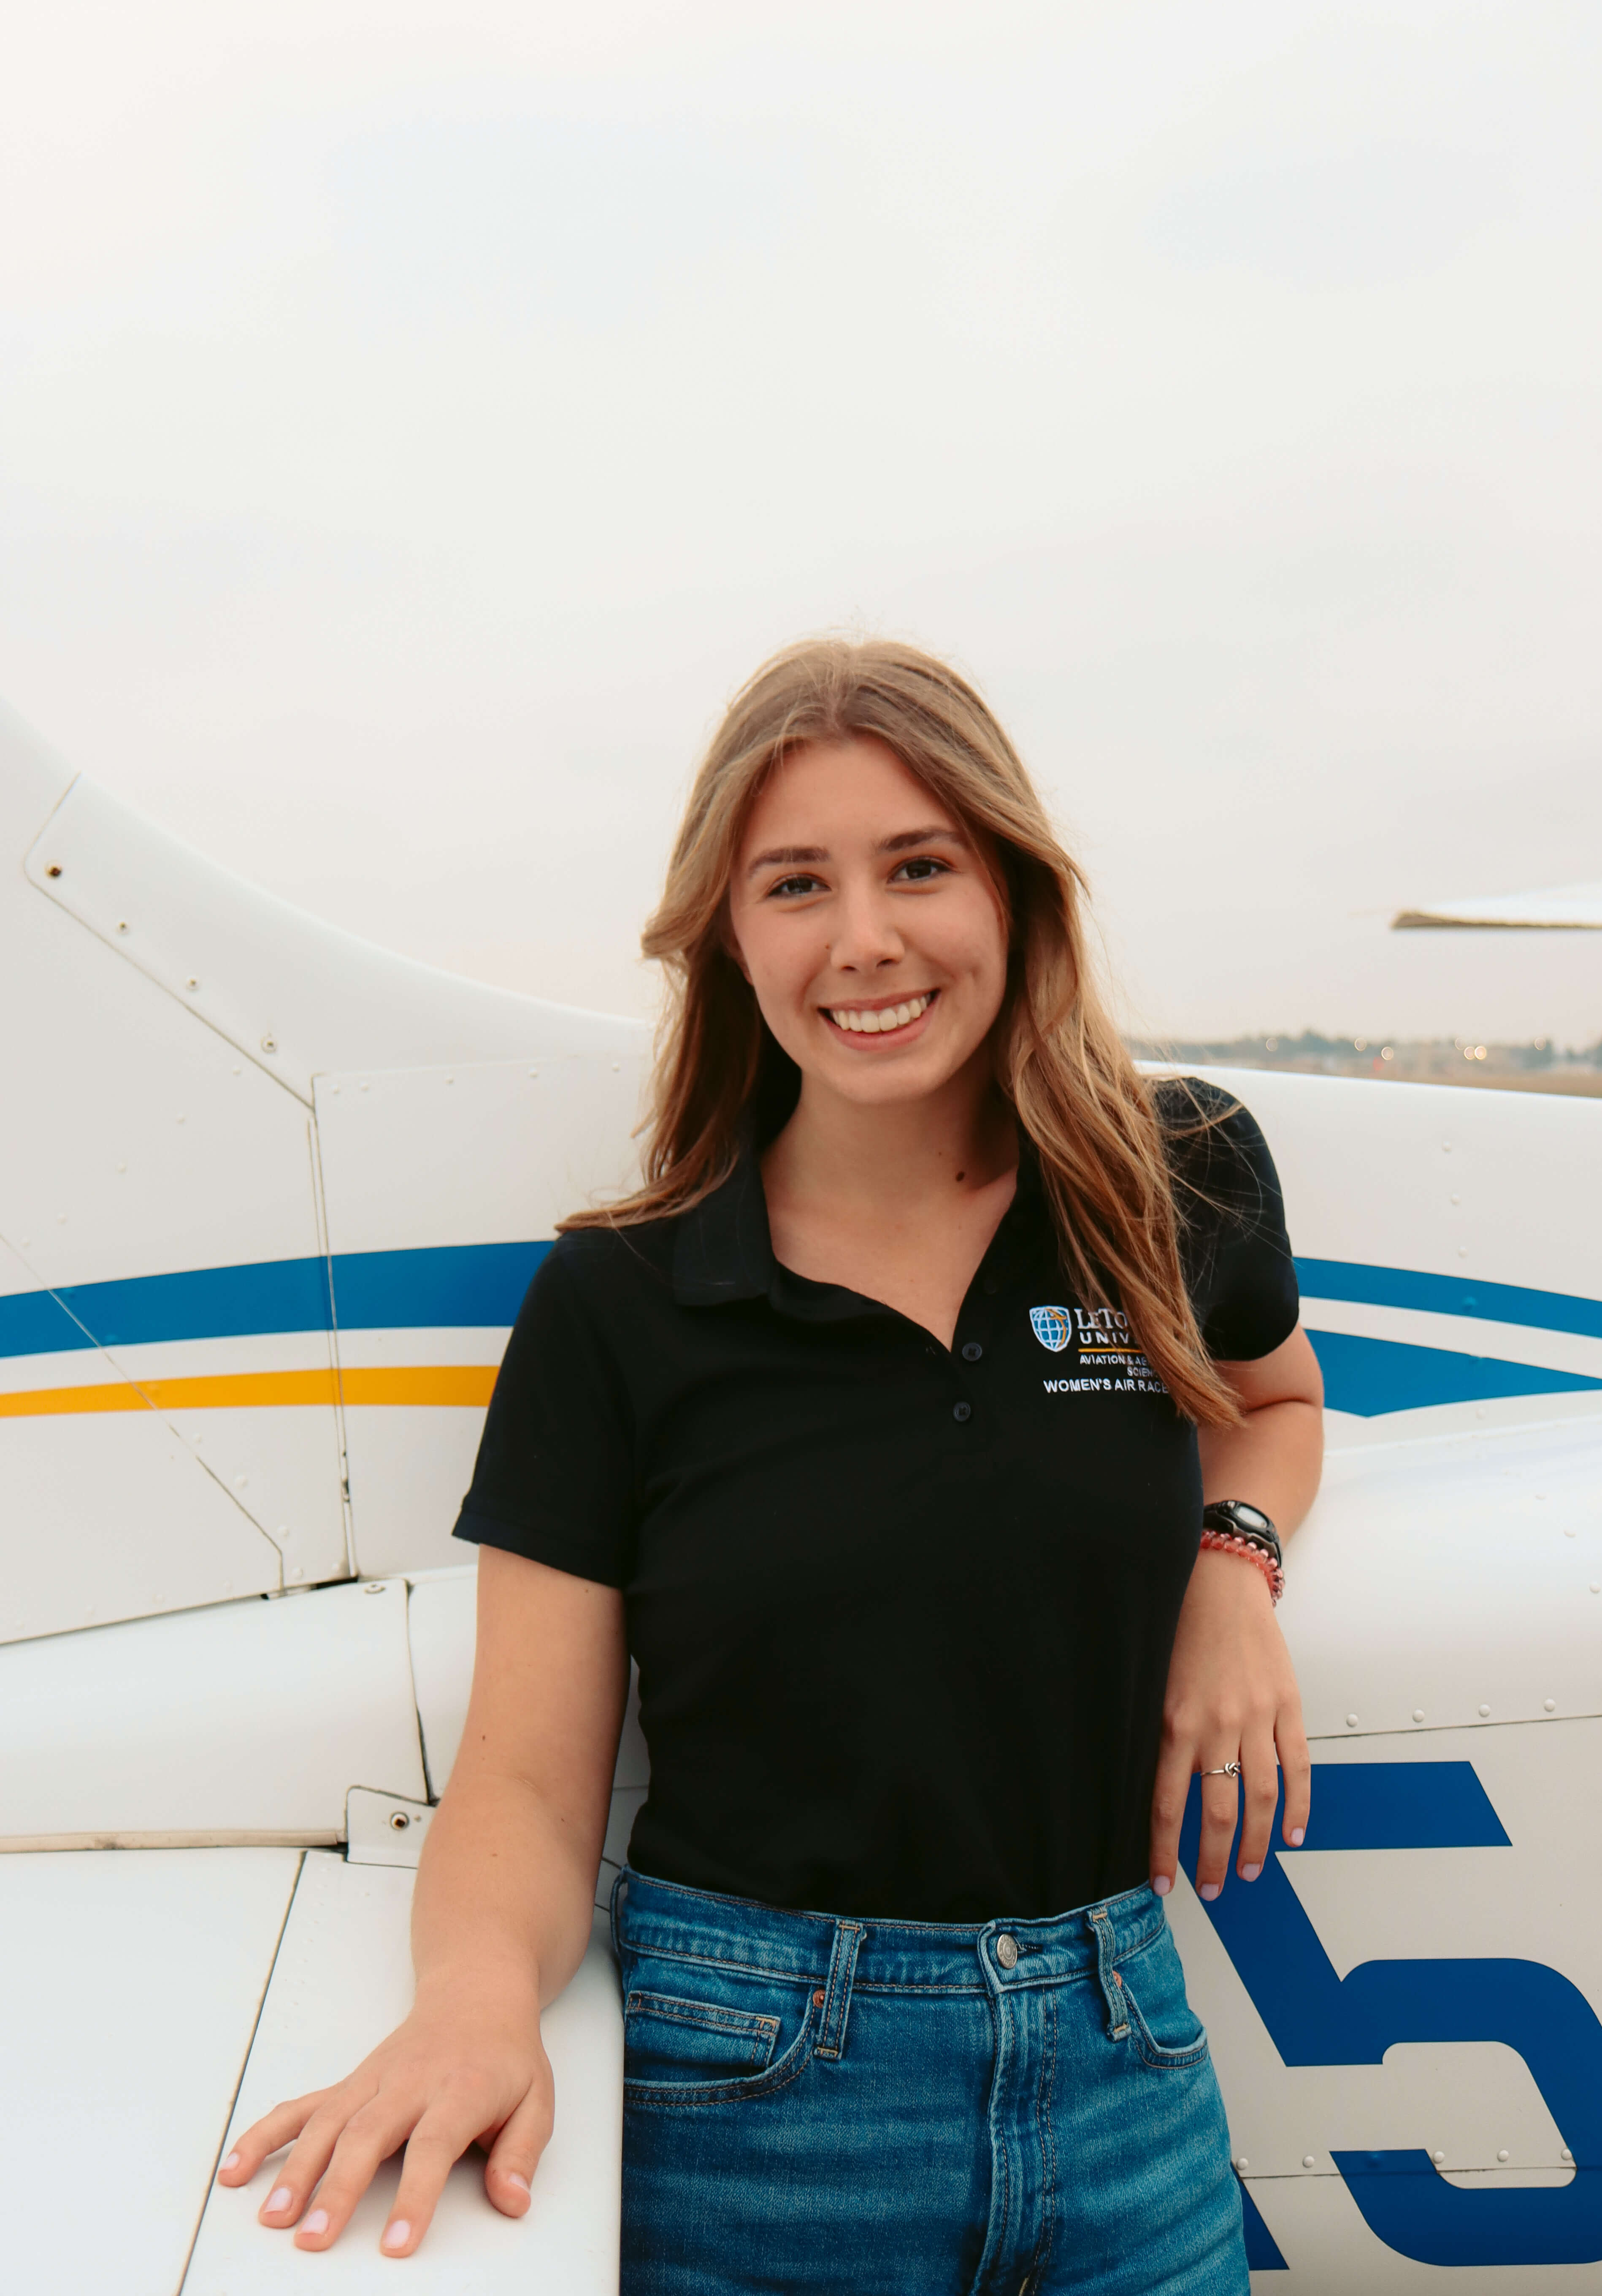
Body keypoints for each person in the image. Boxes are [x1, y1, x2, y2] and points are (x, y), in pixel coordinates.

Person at [219, 637, 1323, 2288]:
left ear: (1012, 892)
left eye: (919, 867)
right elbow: (526, 1779)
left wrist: (1233, 1566)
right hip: (755, 2099)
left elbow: (1274, 1398)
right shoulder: (620, 1304)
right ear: (728, 941)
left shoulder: (1175, 1181)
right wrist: (469, 2011)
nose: (864, 940)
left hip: (1125, 2070)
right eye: (795, 884)